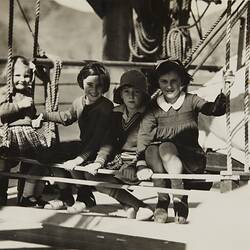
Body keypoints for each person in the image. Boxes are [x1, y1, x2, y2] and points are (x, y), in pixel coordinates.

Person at [135, 59, 226, 224]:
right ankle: (162, 198)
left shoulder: (191, 100)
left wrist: (223, 97)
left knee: (166, 147)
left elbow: (212, 109)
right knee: (150, 150)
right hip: (164, 159)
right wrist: (140, 162)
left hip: (191, 157)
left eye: (173, 81)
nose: (169, 86)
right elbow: (144, 135)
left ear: (182, 82)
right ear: (157, 83)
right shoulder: (153, 107)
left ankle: (179, 197)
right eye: (164, 81)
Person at [34, 61, 114, 213]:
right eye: (90, 84)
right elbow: (66, 117)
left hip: (98, 149)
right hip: (84, 145)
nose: (94, 90)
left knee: (74, 161)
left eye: (99, 85)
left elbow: (97, 139)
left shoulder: (105, 107)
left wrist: (80, 159)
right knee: (48, 155)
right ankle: (65, 195)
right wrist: (43, 116)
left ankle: (86, 196)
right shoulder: (79, 102)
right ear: (81, 82)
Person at [82, 70, 153, 220]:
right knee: (90, 173)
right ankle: (133, 205)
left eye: (136, 92)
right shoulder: (116, 113)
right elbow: (108, 140)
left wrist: (137, 164)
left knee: (122, 174)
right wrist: (99, 161)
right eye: (126, 91)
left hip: (139, 160)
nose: (131, 96)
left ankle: (140, 206)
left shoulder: (148, 115)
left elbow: (146, 145)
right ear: (120, 94)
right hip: (118, 158)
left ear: (144, 95)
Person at [0, 55, 48, 206]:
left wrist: (35, 121)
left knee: (38, 161)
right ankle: (2, 196)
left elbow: (29, 116)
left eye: (26, 76)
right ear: (9, 76)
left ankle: (26, 195)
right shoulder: (5, 91)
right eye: (18, 75)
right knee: (3, 165)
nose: (23, 79)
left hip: (28, 134)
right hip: (11, 135)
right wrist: (19, 105)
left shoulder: (28, 92)